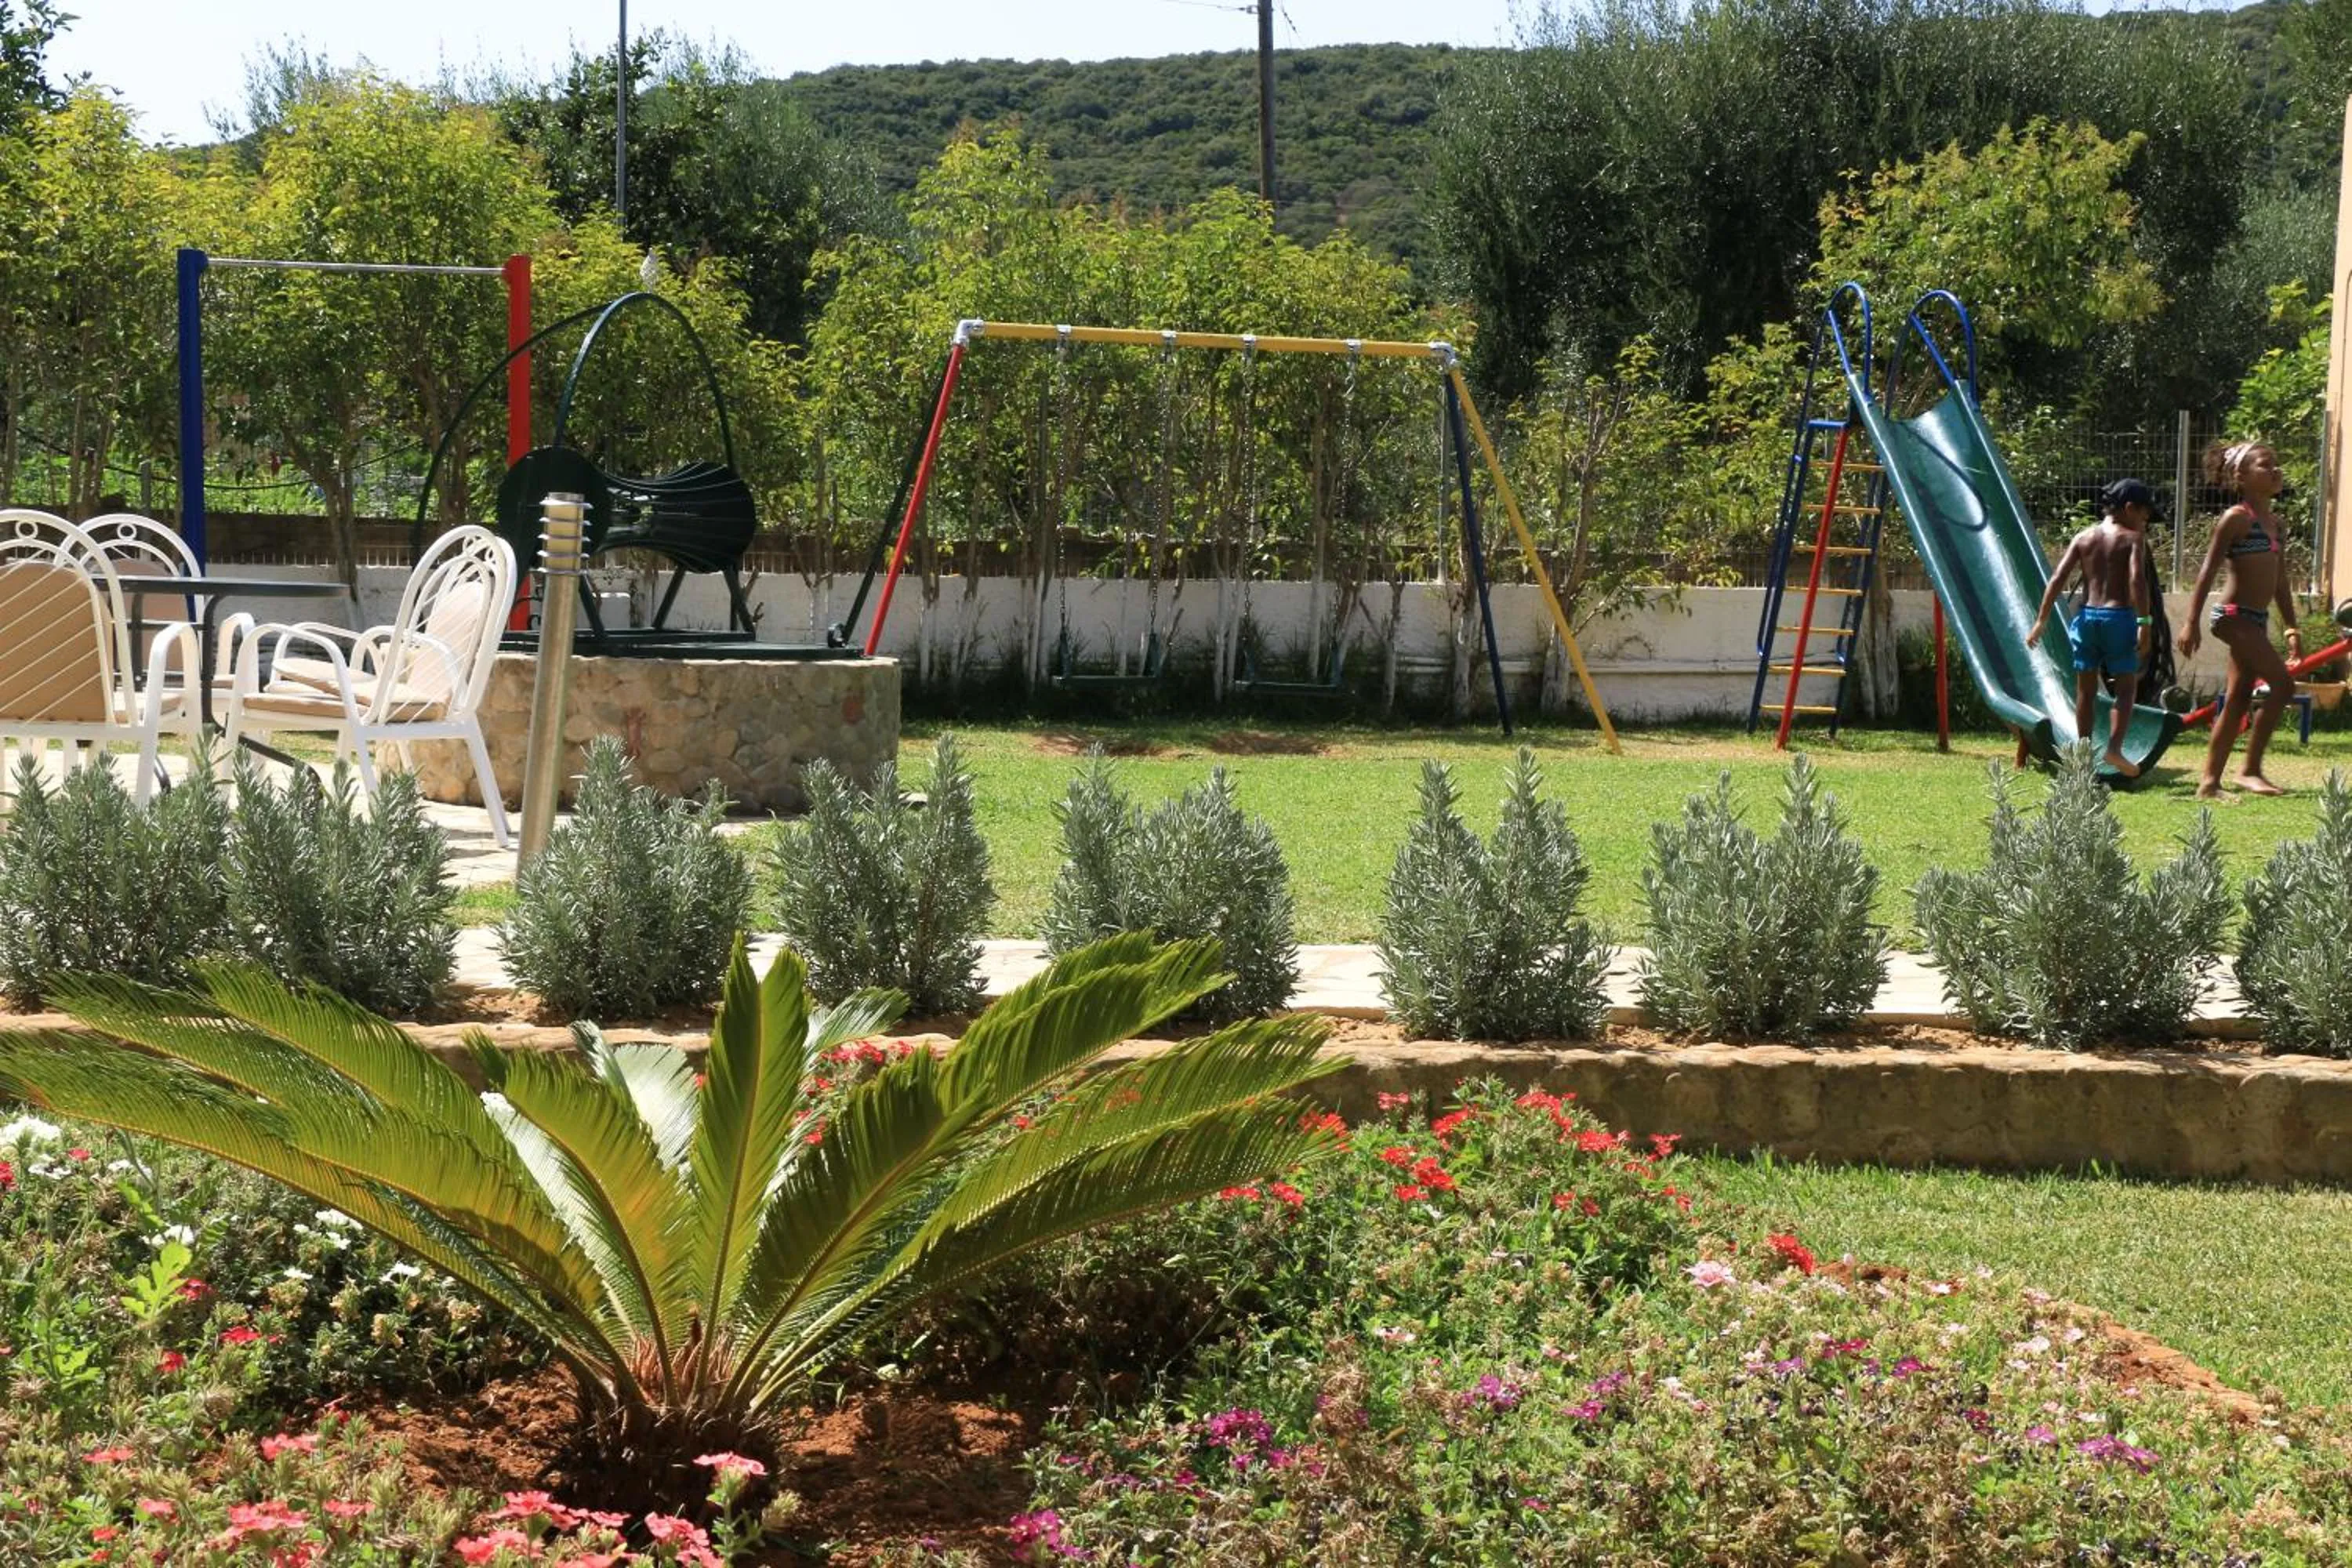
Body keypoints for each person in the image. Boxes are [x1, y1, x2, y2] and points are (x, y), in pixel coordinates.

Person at [2178, 440, 2299, 797]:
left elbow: (2280, 581)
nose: (2275, 469)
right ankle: (2249, 770)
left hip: (2256, 620)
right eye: (2265, 465)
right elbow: (2206, 571)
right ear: (2240, 476)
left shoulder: (2276, 524)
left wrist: (2292, 626)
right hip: (2232, 617)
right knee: (2283, 685)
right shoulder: (2236, 518)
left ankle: (2210, 783)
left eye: (2276, 463)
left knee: (2238, 698)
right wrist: (2190, 622)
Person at [2025, 477, 2158, 778]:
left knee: (2085, 690)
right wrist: (2144, 623)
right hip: (2118, 618)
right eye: (2143, 514)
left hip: (2085, 620)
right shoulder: (2132, 539)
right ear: (2128, 508)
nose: (2145, 521)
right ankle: (2113, 748)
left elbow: (2057, 579)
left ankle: (2082, 754)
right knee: (2125, 687)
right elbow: (2138, 581)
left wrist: (2040, 621)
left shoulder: (2084, 537)